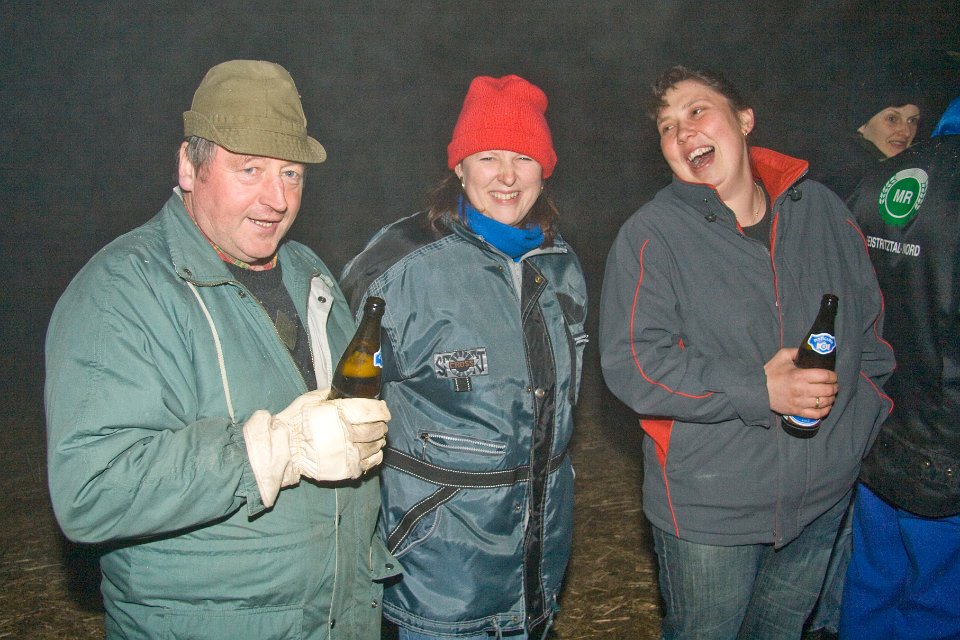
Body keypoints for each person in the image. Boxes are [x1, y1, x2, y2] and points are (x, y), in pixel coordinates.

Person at [45, 60, 396, 639]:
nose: (276, 198)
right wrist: (279, 447)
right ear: (189, 166)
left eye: (290, 174)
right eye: (250, 169)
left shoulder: (308, 272)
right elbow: (92, 489)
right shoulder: (123, 291)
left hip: (339, 618)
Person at [599, 66, 895, 640]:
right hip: (712, 509)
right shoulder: (652, 234)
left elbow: (872, 333)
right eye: (667, 126)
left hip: (824, 495)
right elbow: (633, 363)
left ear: (744, 120)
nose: (682, 132)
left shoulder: (822, 210)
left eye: (696, 111)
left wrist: (859, 429)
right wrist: (760, 388)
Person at [339, 74, 587, 640]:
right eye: (488, 157)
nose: (507, 176)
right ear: (459, 166)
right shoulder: (400, 267)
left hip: (539, 566)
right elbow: (338, 406)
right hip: (439, 577)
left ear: (545, 170)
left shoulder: (560, 265)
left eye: (524, 158)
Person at [838, 96, 960, 640]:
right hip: (947, 441)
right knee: (938, 600)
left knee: (872, 578)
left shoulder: (876, 182)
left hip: (875, 423)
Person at [817, 85, 921, 199]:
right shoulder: (847, 175)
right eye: (892, 119)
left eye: (912, 120)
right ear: (862, 124)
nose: (907, 132)